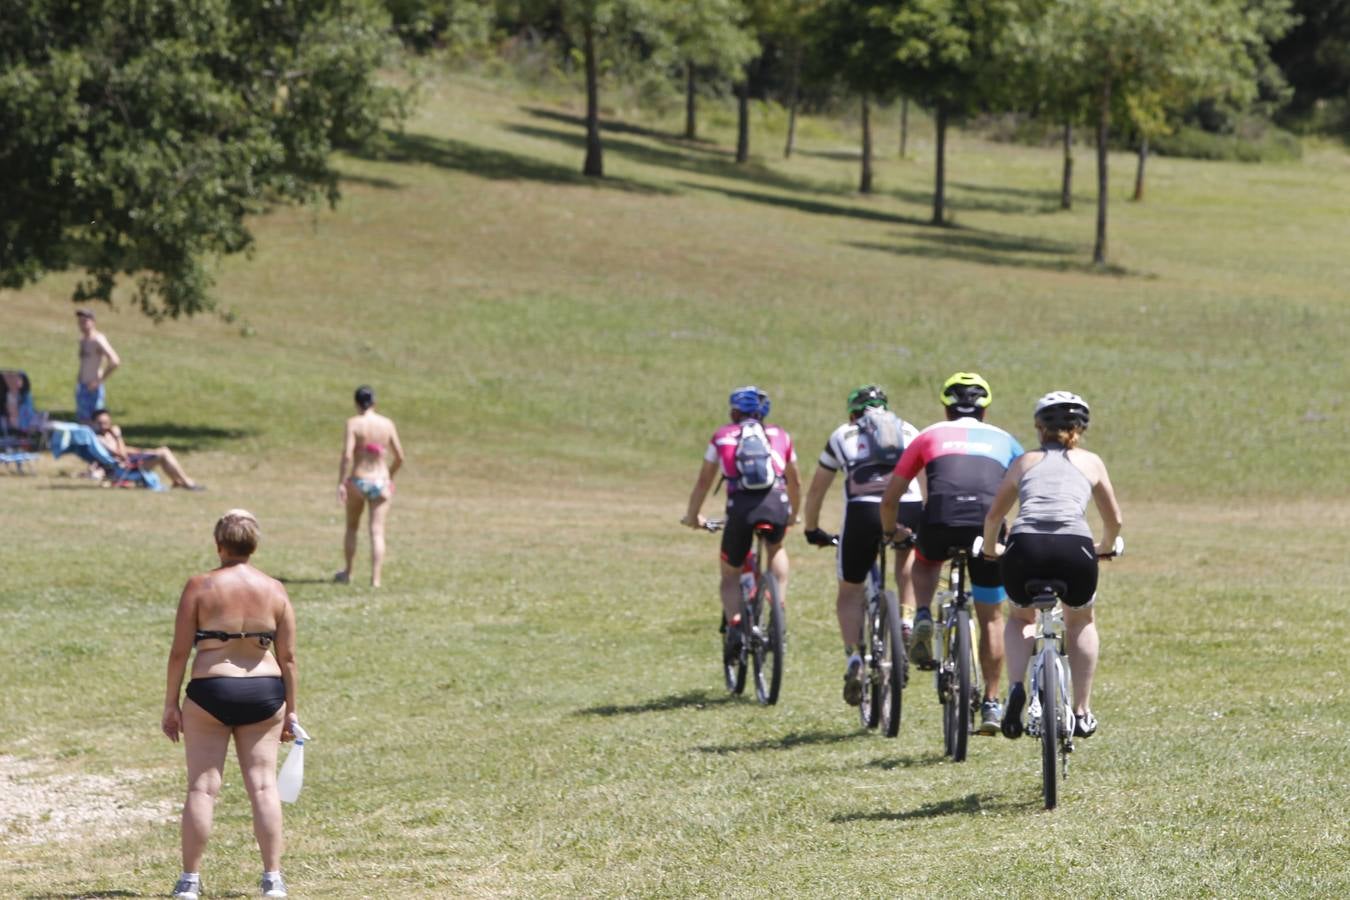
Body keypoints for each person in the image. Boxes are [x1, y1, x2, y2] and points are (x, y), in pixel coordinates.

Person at [162, 510, 298, 900]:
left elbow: (178, 652)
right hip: (265, 691)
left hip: (211, 690)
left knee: (202, 789)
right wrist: (291, 710)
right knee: (263, 786)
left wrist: (171, 704)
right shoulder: (275, 589)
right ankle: (273, 878)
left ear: (219, 545)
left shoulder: (200, 586)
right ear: (253, 546)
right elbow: (288, 658)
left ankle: (189, 881)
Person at [880, 372, 1024, 735]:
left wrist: (890, 530)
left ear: (946, 408)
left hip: (940, 521)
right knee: (990, 617)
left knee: (925, 563)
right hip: (987, 528)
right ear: (985, 409)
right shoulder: (1006, 439)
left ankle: (925, 613)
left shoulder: (929, 436)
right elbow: (1029, 485)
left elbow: (892, 495)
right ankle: (992, 701)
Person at [981, 391, 1122, 740]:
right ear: (1081, 428)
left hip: (1024, 545)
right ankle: (1082, 709)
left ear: (1039, 427)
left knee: (1019, 618)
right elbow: (1114, 520)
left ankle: (1015, 687)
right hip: (1075, 548)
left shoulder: (1025, 462)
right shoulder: (1091, 462)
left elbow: (994, 516)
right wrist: (1104, 547)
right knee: (1081, 620)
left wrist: (989, 548)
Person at [802, 385, 925, 706]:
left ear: (852, 412)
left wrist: (812, 529)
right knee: (905, 556)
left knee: (850, 590)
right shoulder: (909, 429)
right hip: (907, 504)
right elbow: (927, 478)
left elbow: (816, 491)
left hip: (863, 511)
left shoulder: (842, 433)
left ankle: (854, 659)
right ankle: (907, 622)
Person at [681, 387, 801, 653]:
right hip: (776, 503)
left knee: (730, 573)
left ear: (734, 411)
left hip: (741, 508)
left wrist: (693, 516)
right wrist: (792, 513)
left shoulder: (722, 436)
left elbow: (703, 482)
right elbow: (795, 481)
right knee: (776, 547)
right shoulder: (780, 435)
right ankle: (778, 607)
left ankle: (735, 622)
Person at [335, 385, 405, 587]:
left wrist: (341, 482)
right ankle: (375, 579)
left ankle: (348, 572)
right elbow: (400, 456)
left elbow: (348, 455)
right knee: (377, 531)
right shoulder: (387, 424)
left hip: (359, 479)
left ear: (356, 403)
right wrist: (389, 476)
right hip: (381, 480)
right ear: (374, 402)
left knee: (352, 527)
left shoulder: (354, 424)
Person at [91, 408, 205, 490]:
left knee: (162, 452)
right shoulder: (99, 439)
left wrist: (145, 452)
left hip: (130, 463)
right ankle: (186, 482)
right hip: (124, 470)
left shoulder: (108, 435)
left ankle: (178, 481)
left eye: (106, 422)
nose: (104, 426)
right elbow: (121, 455)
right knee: (164, 453)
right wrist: (118, 436)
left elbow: (125, 449)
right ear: (94, 423)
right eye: (100, 423)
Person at [75, 309, 119, 423]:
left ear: (93, 322)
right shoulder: (83, 340)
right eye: (80, 322)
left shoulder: (98, 339)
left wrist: (99, 381)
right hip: (82, 386)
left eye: (85, 321)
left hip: (93, 387)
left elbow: (114, 361)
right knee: (83, 421)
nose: (82, 325)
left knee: (96, 421)